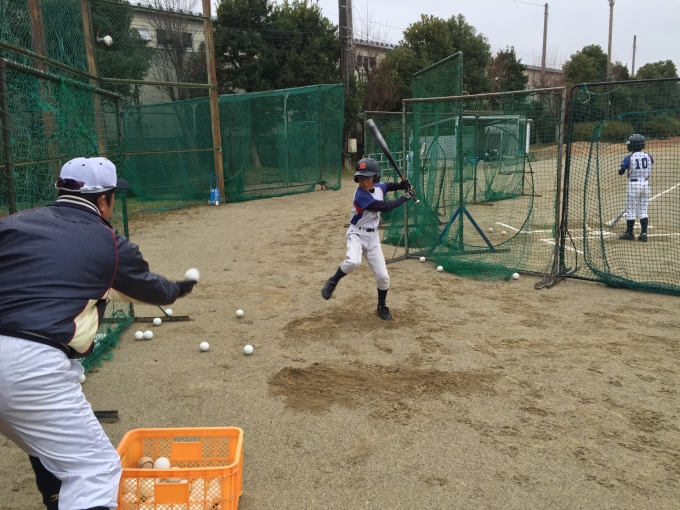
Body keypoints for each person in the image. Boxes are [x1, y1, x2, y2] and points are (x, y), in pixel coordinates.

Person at [0, 157, 196, 510]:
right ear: (104, 200)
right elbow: (149, 289)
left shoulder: (12, 224)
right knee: (96, 470)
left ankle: (55, 499)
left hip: (16, 359)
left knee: (42, 441)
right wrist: (178, 289)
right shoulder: (110, 243)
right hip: (29, 366)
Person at [321, 158, 416, 320]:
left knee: (383, 277)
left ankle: (381, 306)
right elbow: (384, 207)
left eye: (367, 178)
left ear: (375, 178)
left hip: (373, 238)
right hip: (357, 234)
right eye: (360, 178)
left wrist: (401, 185)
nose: (363, 181)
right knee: (353, 262)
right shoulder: (361, 196)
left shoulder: (378, 187)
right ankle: (333, 281)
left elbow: (388, 186)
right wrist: (406, 196)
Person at [618, 134, 653, 242]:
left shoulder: (629, 158)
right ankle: (644, 233)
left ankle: (629, 233)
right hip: (645, 185)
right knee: (643, 209)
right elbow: (650, 163)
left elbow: (621, 172)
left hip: (634, 185)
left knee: (631, 210)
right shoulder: (649, 156)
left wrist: (623, 168)